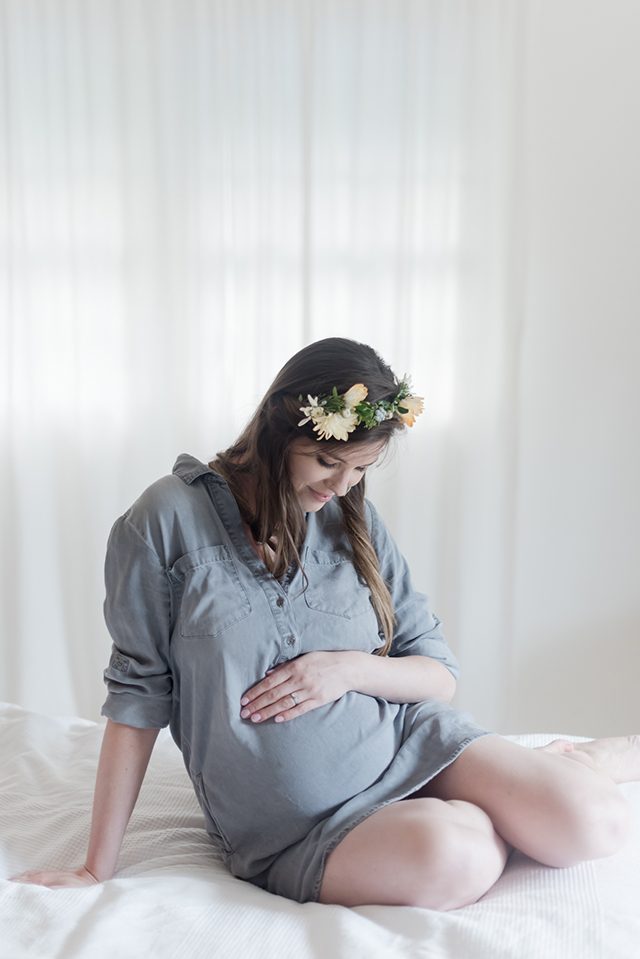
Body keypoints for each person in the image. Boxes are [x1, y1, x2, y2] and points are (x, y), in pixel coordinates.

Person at [11, 337, 639, 909]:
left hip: (414, 747)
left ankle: (573, 766)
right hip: (294, 830)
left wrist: (346, 669)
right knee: (459, 856)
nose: (341, 486)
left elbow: (439, 675)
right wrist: (97, 868)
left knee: (596, 823)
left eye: (362, 468)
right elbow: (138, 697)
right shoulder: (164, 521)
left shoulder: (349, 523)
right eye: (325, 462)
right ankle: (505, 801)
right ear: (277, 430)